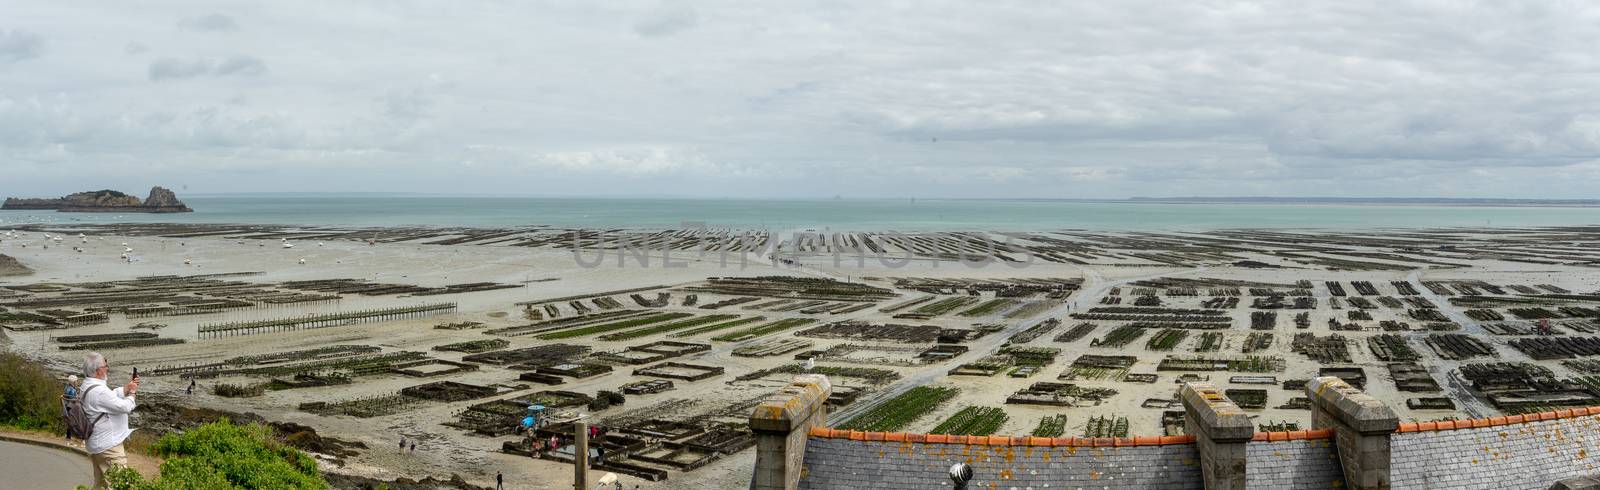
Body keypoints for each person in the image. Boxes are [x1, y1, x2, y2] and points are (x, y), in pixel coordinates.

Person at [81, 352, 138, 490]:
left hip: (98, 444)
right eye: (106, 365)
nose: (108, 368)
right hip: (109, 447)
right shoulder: (99, 391)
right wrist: (132, 393)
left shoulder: (88, 385)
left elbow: (108, 398)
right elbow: (126, 407)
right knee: (121, 485)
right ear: (98, 370)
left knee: (100, 485)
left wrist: (125, 389)